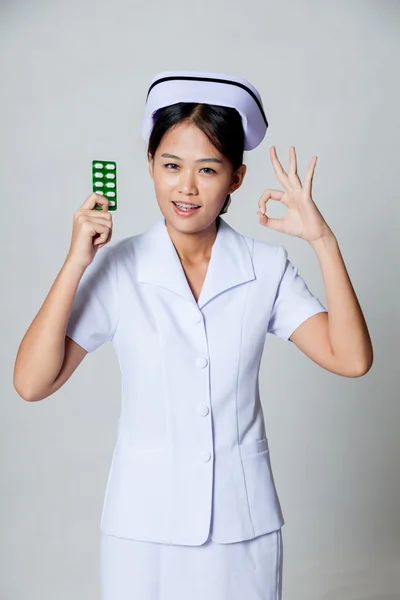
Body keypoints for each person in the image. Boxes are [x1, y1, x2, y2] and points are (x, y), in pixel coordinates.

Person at [14, 70, 373, 600]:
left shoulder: (266, 266)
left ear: (236, 177)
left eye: (208, 169)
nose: (186, 187)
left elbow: (351, 358)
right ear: (151, 168)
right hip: (142, 531)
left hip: (241, 528)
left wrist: (322, 240)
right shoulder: (119, 267)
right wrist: (76, 262)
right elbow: (31, 383)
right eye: (171, 166)